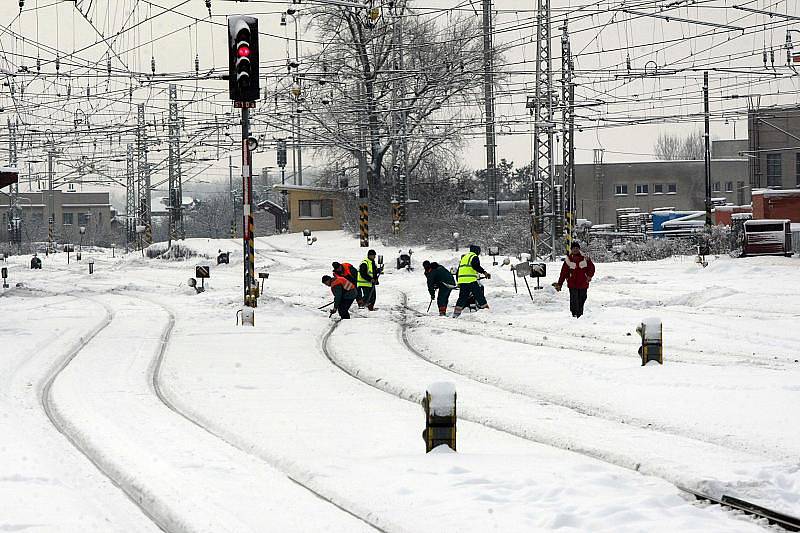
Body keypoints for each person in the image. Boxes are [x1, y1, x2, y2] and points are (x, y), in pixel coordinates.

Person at [553, 242, 595, 318]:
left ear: (579, 249)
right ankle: (574, 314)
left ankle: (580, 314)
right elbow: (563, 272)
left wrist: (589, 276)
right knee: (574, 299)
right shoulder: (568, 260)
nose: (575, 249)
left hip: (583, 283)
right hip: (572, 283)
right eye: (573, 248)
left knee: (582, 298)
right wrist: (560, 284)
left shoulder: (585, 258)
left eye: (577, 248)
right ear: (571, 249)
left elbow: (591, 268)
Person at [453, 244, 490, 317]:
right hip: (470, 280)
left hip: (462, 280)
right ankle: (486, 310)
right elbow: (476, 266)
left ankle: (456, 313)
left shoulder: (465, 257)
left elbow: (460, 270)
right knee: (479, 294)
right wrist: (484, 272)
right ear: (477, 251)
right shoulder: (474, 256)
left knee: (462, 297)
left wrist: (458, 281)